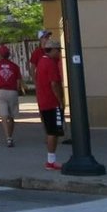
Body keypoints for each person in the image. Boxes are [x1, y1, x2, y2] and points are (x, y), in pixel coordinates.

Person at [0, 44, 25, 148]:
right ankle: (10, 134)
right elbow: (18, 81)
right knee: (12, 116)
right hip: (12, 92)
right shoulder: (15, 66)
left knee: (3, 117)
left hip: (1, 92)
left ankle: (8, 138)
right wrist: (17, 90)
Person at [36, 41, 65, 170]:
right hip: (51, 102)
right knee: (53, 131)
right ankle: (51, 161)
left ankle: (51, 160)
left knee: (50, 130)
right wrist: (60, 100)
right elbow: (54, 83)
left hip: (43, 101)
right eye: (58, 50)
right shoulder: (50, 64)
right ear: (52, 50)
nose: (59, 53)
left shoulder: (41, 62)